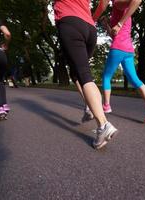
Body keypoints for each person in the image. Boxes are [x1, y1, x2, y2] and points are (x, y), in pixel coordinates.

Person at [54, 0, 118, 149]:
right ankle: (89, 106)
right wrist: (92, 18)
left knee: (84, 75)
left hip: (70, 23)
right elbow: (104, 3)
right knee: (76, 73)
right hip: (89, 28)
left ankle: (103, 125)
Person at [93, 0, 145, 123]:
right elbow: (114, 34)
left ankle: (106, 105)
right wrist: (106, 25)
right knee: (134, 79)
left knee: (106, 76)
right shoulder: (121, 11)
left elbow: (137, 0)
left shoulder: (118, 3)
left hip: (118, 48)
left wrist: (119, 24)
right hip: (128, 50)